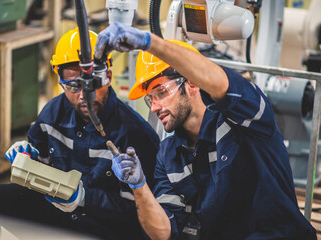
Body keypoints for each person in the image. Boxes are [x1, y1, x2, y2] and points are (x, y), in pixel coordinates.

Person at [94, 22, 317, 240]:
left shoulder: (245, 120)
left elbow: (220, 83)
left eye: (161, 92)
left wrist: (149, 42)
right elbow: (164, 232)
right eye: (149, 98)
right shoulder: (169, 155)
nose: (154, 107)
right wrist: (139, 186)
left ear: (192, 82)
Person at [0, 28, 160, 240]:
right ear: (61, 85)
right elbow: (41, 166)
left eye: (93, 83)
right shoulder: (52, 114)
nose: (84, 95)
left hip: (102, 225)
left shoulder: (136, 134)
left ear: (108, 77)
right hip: (57, 212)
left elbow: (139, 219)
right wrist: (29, 160)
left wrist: (85, 198)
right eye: (74, 86)